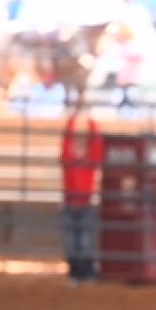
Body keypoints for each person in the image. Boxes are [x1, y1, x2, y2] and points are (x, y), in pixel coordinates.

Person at [60, 110, 104, 283]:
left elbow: (97, 145)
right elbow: (66, 142)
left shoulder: (90, 162)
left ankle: (85, 272)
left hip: (84, 204)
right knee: (72, 241)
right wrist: (73, 120)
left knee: (84, 240)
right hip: (71, 204)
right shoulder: (68, 161)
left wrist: (91, 122)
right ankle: (75, 273)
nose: (78, 148)